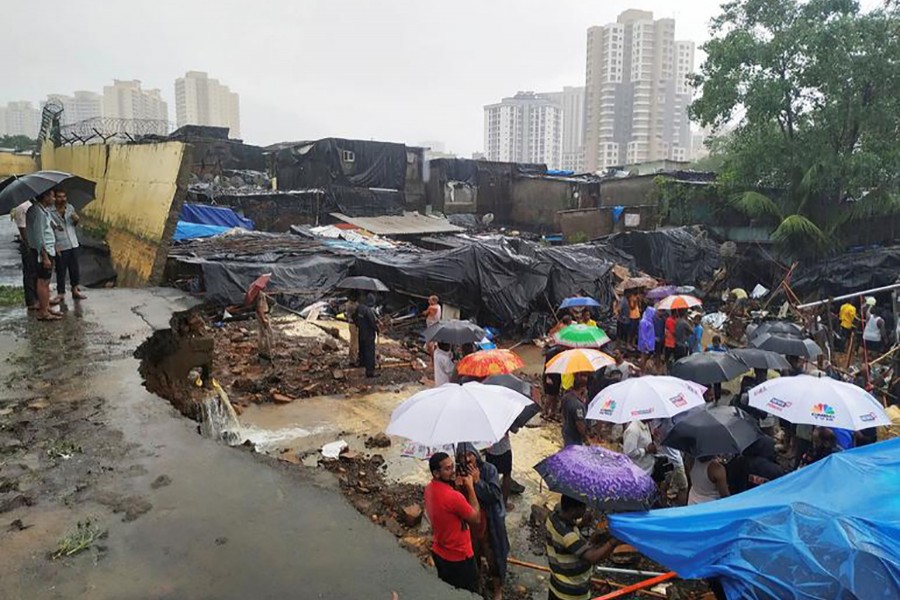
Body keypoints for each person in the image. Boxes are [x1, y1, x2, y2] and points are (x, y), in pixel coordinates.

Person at [457, 444, 509, 600]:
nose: (466, 460)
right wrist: (458, 486)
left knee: (494, 557)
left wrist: (478, 482)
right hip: (471, 523)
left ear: (475, 455)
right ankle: (477, 583)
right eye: (462, 457)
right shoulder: (459, 472)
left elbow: (494, 495)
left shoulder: (489, 469)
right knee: (473, 555)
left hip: (489, 521)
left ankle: (498, 590)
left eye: (469, 456)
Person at [424, 452, 481, 593]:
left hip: (439, 551)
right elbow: (476, 519)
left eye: (452, 466)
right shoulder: (453, 497)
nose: (453, 471)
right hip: (459, 556)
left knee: (448, 590)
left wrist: (453, 486)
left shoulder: (429, 489)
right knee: (470, 593)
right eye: (447, 469)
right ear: (436, 473)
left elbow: (447, 510)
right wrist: (470, 488)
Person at [545, 494, 619, 600]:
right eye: (584, 507)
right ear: (574, 510)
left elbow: (567, 544)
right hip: (572, 591)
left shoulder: (552, 518)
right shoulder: (568, 535)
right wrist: (613, 542)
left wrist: (582, 524)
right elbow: (592, 558)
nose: (586, 510)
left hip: (556, 583)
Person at [25, 190, 62, 321]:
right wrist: (45, 256)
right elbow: (39, 236)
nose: (54, 198)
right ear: (45, 196)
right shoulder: (38, 212)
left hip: (47, 250)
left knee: (45, 281)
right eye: (52, 196)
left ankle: (46, 307)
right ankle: (43, 312)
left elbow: (46, 228)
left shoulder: (41, 210)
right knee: (43, 282)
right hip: (43, 252)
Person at [49, 189, 85, 302]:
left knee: (74, 269)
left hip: (73, 242)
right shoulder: (50, 211)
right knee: (61, 270)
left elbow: (74, 225)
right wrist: (55, 245)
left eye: (64, 196)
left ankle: (75, 290)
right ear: (54, 198)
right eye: (59, 197)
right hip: (61, 244)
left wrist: (76, 220)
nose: (62, 199)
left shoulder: (70, 208)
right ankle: (61, 293)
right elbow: (49, 230)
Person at [11, 198, 38, 309]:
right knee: (29, 273)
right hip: (28, 244)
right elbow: (22, 229)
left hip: (35, 243)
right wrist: (28, 244)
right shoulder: (22, 207)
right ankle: (31, 301)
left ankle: (38, 297)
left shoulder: (32, 205)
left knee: (36, 271)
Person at [561, 372, 590, 446]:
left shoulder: (566, 397)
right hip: (574, 438)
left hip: (566, 432)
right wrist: (585, 439)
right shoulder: (578, 406)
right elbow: (580, 425)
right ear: (582, 389)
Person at [355, 293, 379, 377]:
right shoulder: (368, 311)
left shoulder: (359, 307)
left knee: (362, 349)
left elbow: (354, 317)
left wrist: (358, 325)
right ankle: (370, 371)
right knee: (370, 352)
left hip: (361, 332)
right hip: (369, 334)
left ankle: (362, 363)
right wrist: (377, 329)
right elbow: (372, 322)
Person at [255, 290, 274, 360]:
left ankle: (261, 351)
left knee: (261, 333)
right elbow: (260, 307)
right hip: (263, 315)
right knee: (269, 334)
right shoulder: (261, 294)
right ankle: (266, 352)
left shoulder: (259, 293)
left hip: (260, 314)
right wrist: (263, 319)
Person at [343, 292, 359, 366]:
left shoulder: (347, 304)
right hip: (354, 324)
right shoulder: (353, 306)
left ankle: (352, 357)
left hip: (350, 323)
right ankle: (353, 359)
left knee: (353, 342)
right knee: (354, 343)